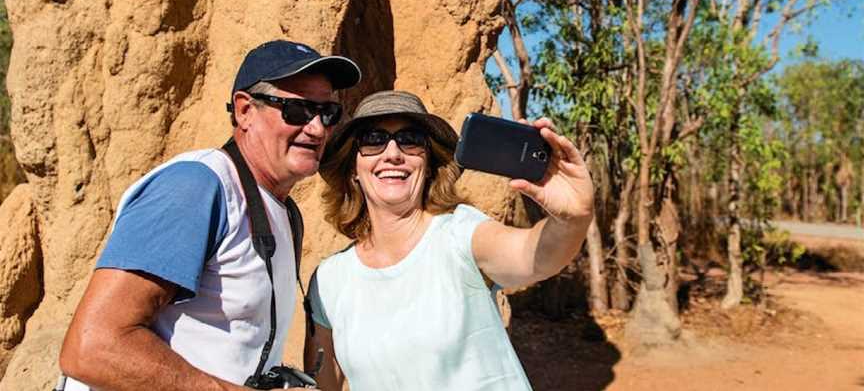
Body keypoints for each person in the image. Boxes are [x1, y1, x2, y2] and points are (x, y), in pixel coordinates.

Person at [59, 40, 361, 391]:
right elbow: (91, 347)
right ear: (245, 110)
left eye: (328, 113)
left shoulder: (283, 211)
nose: (317, 129)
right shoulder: (196, 186)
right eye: (297, 111)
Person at [306, 90, 594, 391]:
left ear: (428, 164)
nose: (392, 153)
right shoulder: (329, 281)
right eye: (373, 140)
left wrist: (573, 219)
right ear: (353, 168)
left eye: (411, 139)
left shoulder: (460, 233)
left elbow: (535, 256)